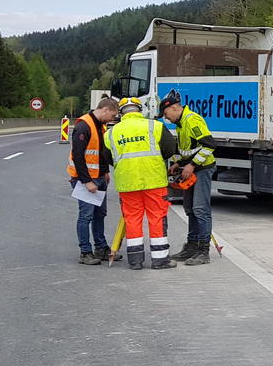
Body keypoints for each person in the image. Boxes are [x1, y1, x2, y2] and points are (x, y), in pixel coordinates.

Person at [105, 97, 179, 270]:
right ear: (140, 109)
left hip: (127, 183)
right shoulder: (155, 126)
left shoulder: (110, 133)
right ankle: (160, 259)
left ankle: (135, 261)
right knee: (157, 218)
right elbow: (169, 149)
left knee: (132, 219)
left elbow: (108, 157)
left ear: (121, 112)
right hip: (154, 181)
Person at [158, 90, 216, 266]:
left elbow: (209, 145)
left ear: (175, 108)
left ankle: (203, 251)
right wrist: (179, 163)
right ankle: (191, 246)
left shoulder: (192, 120)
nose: (166, 119)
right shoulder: (181, 124)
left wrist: (192, 165)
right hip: (191, 169)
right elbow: (188, 149)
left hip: (202, 169)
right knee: (190, 209)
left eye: (166, 115)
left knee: (200, 209)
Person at [68, 96, 120, 265]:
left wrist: (105, 171)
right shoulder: (84, 126)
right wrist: (86, 181)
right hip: (85, 179)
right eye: (112, 115)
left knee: (100, 214)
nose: (113, 119)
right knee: (86, 216)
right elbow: (78, 156)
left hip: (99, 177)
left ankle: (101, 247)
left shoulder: (100, 126)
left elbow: (101, 151)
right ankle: (85, 251)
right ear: (105, 110)